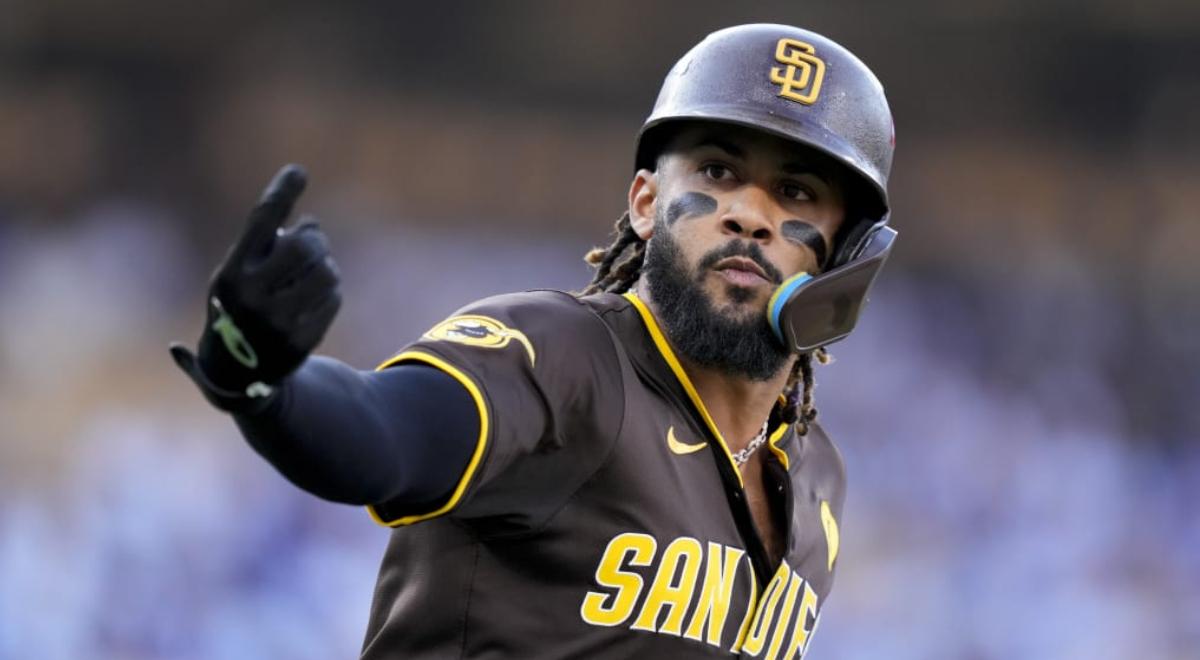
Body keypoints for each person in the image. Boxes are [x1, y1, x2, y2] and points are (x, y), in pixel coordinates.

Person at [171, 23, 895, 659]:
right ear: (646, 203)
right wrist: (263, 382)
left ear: (847, 255)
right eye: (717, 171)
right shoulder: (560, 357)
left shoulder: (817, 479)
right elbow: (382, 433)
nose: (749, 214)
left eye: (797, 192)